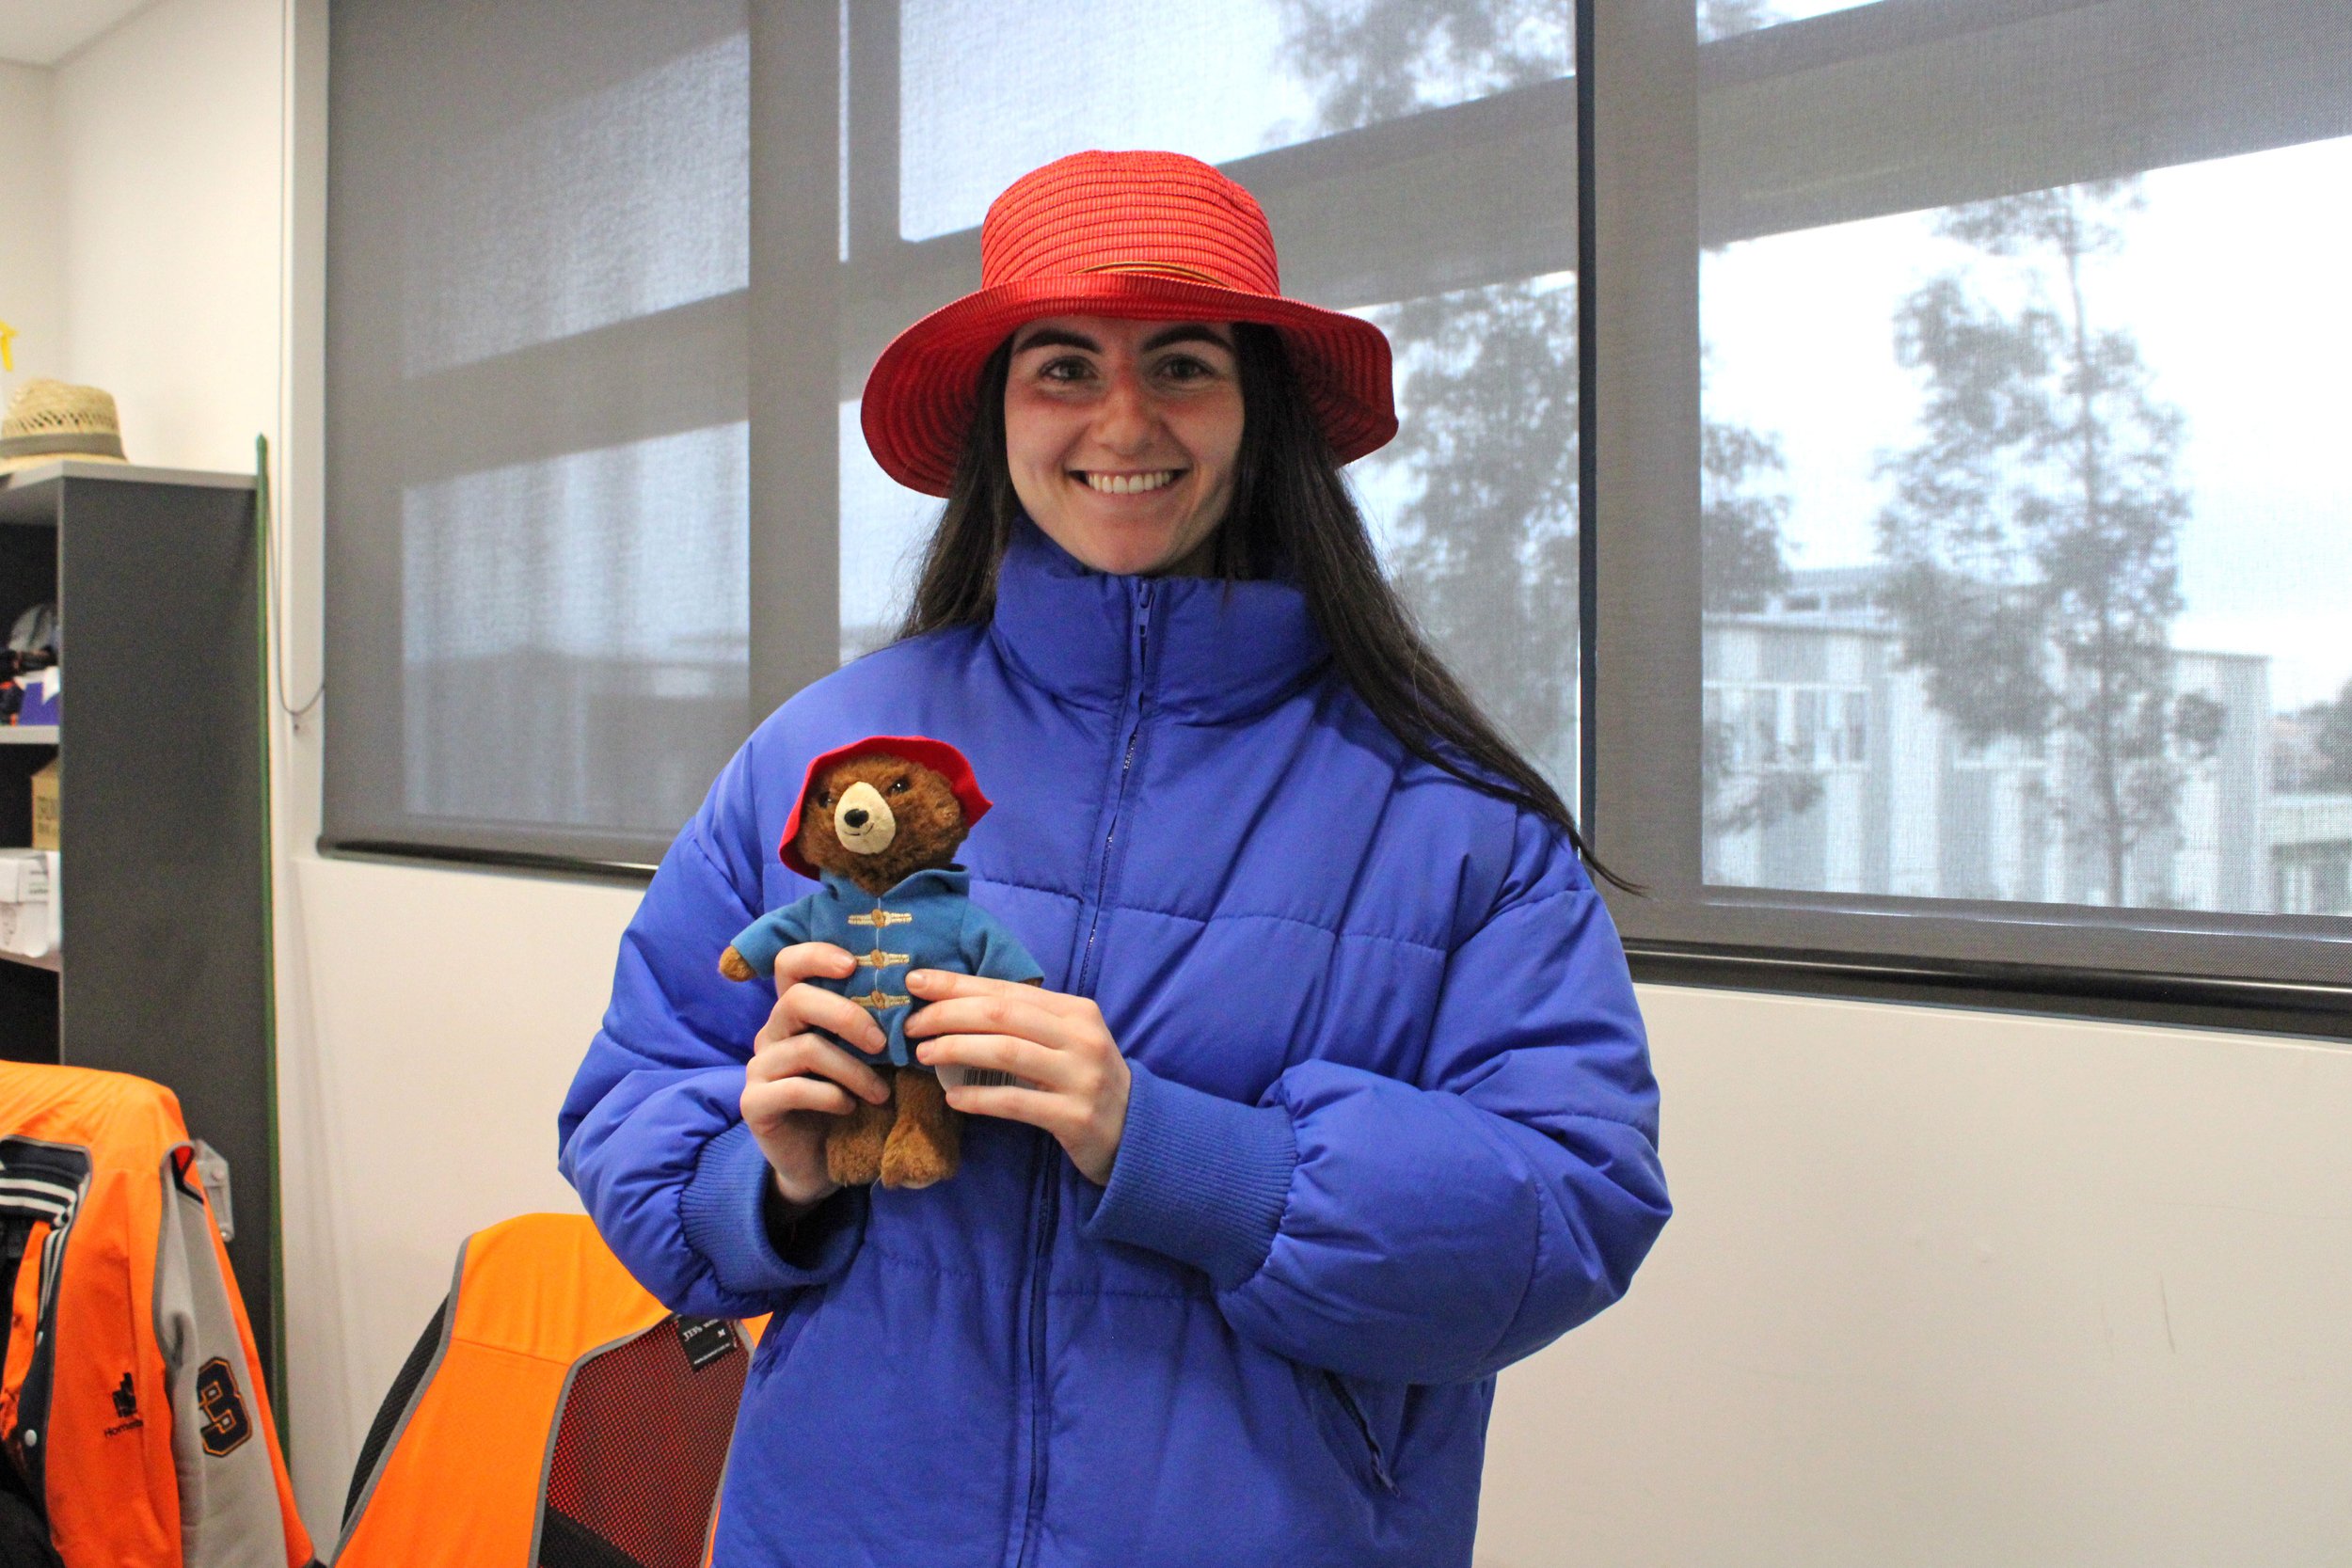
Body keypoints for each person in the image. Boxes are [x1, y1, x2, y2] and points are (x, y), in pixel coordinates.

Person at [558, 149, 1668, 1568]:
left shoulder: (1452, 815)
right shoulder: (820, 757)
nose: (1124, 420)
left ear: (1259, 410)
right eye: (1065, 368)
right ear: (999, 412)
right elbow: (634, 1103)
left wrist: (1177, 1149)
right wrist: (767, 1179)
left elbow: (1574, 1208)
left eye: (1185, 366)